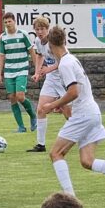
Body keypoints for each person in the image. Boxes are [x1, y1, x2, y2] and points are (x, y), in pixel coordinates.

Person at [43, 26, 105, 198]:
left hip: (84, 115)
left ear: (50, 46)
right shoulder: (71, 59)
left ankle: (69, 197)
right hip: (92, 111)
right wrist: (61, 104)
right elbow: (76, 91)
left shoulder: (65, 64)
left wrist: (51, 105)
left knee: (56, 153)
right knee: (87, 161)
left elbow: (74, 92)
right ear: (65, 41)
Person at [27, 16, 71, 153]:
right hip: (51, 79)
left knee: (69, 114)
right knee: (41, 109)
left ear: (48, 29)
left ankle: (82, 137)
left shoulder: (54, 42)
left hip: (64, 78)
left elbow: (63, 61)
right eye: (37, 29)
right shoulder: (37, 41)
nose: (40, 32)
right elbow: (39, 56)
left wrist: (48, 69)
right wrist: (38, 72)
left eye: (42, 29)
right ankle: (41, 144)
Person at [0, 12, 37, 133]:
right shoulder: (3, 37)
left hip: (22, 69)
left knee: (20, 96)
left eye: (10, 21)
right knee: (12, 98)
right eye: (6, 22)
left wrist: (37, 69)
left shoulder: (23, 34)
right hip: (9, 71)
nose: (8, 24)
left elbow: (32, 52)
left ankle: (33, 116)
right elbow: (1, 55)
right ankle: (21, 127)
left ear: (14, 21)